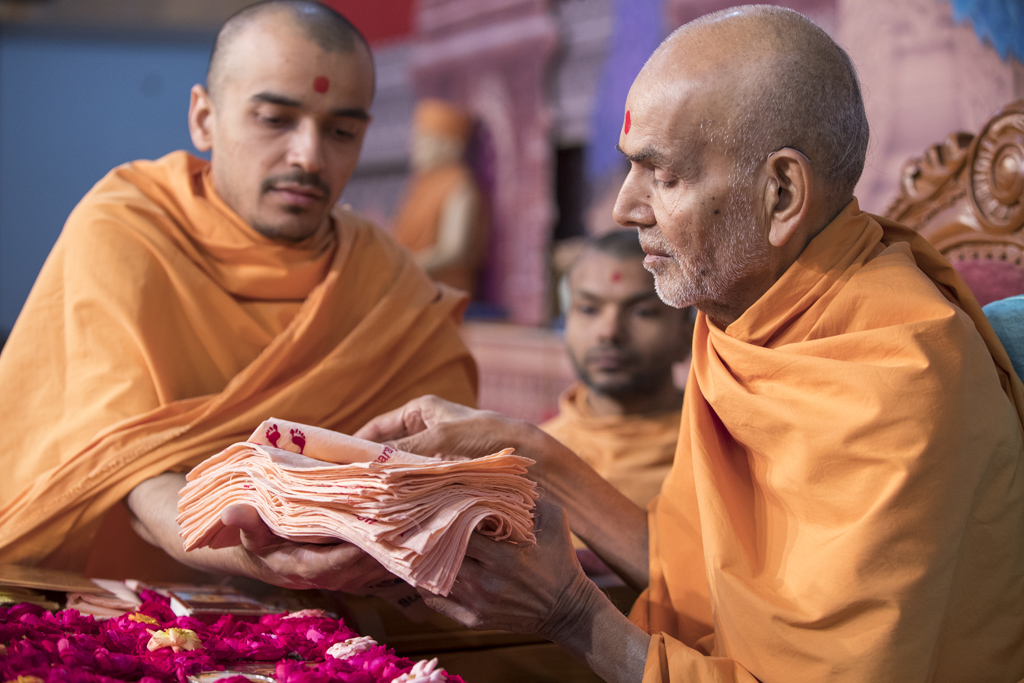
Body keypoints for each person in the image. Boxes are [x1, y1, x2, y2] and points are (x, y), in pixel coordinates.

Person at [357, 5, 1024, 681]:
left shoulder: (899, 377)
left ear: (782, 193)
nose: (623, 208)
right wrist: (523, 448)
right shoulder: (752, 305)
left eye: (663, 176)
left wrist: (570, 610)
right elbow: (707, 578)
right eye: (628, 169)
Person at [0, 0, 477, 590]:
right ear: (204, 117)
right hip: (114, 608)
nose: (308, 156)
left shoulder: (384, 281)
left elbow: (436, 469)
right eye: (275, 119)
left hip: (322, 625)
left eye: (341, 131)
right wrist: (261, 558)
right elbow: (123, 461)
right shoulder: (129, 229)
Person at [542, 230, 691, 510]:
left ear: (687, 333)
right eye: (588, 309)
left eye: (642, 312)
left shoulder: (717, 454)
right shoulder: (535, 459)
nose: (609, 332)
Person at [390, 98, 486, 296]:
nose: (415, 147)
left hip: (440, 293)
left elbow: (453, 250)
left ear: (451, 147)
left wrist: (403, 269)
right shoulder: (419, 184)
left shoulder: (460, 185)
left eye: (426, 141)